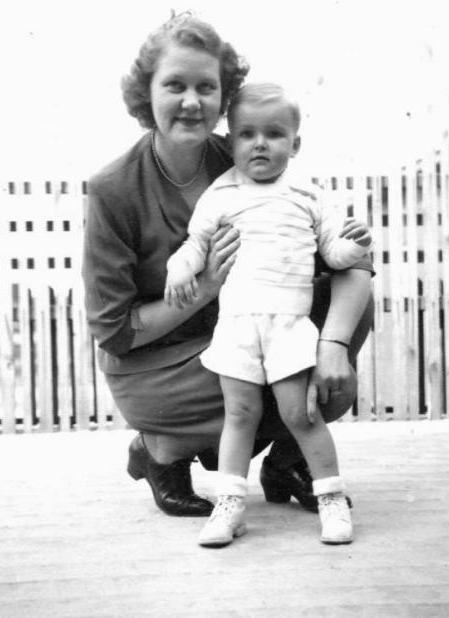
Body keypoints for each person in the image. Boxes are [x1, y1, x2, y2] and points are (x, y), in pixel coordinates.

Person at [82, 11, 374, 521]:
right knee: (268, 381)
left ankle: (287, 462)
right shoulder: (114, 188)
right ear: (146, 94)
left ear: (224, 97)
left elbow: (350, 263)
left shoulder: (246, 153)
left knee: (345, 316)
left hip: (243, 337)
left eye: (206, 86)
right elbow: (114, 332)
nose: (191, 101)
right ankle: (163, 450)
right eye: (175, 85)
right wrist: (204, 287)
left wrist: (333, 346)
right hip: (156, 368)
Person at [164, 83, 372, 546]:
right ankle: (229, 505)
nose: (259, 143)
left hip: (289, 325)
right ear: (231, 139)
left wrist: (353, 243)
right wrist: (179, 269)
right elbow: (194, 245)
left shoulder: (307, 195)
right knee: (239, 413)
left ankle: (331, 498)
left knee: (301, 413)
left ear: (295, 144)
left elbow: (335, 255)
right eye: (247, 134)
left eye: (274, 134)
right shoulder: (220, 194)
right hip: (238, 326)